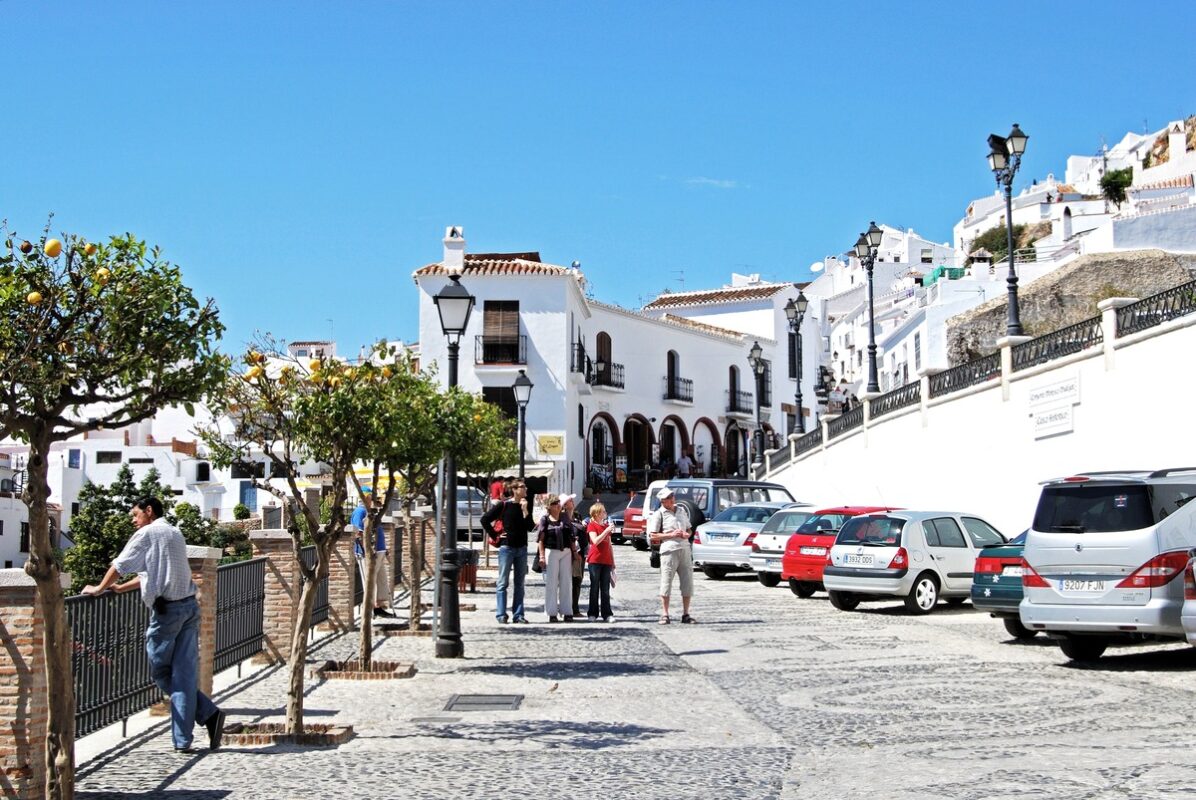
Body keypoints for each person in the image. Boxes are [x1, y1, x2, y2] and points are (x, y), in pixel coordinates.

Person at [82, 496, 226, 753]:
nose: (133, 521)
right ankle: (187, 736)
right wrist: (121, 589)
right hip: (189, 607)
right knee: (183, 674)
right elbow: (154, 573)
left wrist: (99, 588)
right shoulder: (174, 533)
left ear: (149, 511)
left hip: (167, 612)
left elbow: (119, 565)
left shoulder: (148, 533)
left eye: (135, 515)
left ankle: (207, 712)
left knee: (162, 673)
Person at [481, 479, 535, 623]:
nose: (526, 489)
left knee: (520, 583)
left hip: (522, 548)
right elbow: (485, 519)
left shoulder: (525, 505)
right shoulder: (504, 505)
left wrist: (525, 511)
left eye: (525, 486)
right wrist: (495, 535)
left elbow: (530, 527)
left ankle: (518, 615)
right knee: (503, 582)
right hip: (507, 547)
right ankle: (501, 614)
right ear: (515, 490)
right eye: (523, 487)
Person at [646, 487, 695, 624]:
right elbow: (653, 535)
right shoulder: (659, 514)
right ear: (663, 501)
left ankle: (686, 614)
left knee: (687, 583)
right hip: (669, 550)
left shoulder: (681, 510)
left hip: (685, 549)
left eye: (672, 496)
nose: (672, 498)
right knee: (666, 582)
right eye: (669, 497)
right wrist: (671, 535)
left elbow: (689, 529)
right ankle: (665, 614)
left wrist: (687, 534)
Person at [536, 494, 580, 622]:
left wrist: (574, 552)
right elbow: (541, 539)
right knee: (551, 583)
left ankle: (567, 612)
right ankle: (552, 613)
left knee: (566, 582)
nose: (558, 505)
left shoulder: (565, 517)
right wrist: (542, 556)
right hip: (551, 551)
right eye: (555, 503)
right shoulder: (545, 519)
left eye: (558, 503)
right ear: (549, 506)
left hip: (566, 551)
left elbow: (571, 535)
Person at [352, 488, 391, 618]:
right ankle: (369, 610)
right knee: (369, 581)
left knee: (380, 580)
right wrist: (368, 551)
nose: (373, 500)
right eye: (371, 497)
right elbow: (358, 533)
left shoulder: (369, 511)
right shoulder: (360, 511)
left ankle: (378, 607)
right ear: (366, 497)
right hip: (367, 553)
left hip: (378, 550)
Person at [586, 502, 616, 622]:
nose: (605, 513)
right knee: (594, 587)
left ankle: (607, 613)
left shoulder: (605, 526)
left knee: (605, 588)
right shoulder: (592, 525)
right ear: (597, 513)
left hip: (606, 560)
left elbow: (609, 545)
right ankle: (592, 613)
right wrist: (607, 530)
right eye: (603, 511)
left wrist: (613, 561)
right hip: (595, 560)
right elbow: (595, 541)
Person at [563, 495, 588, 617]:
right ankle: (565, 608)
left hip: (579, 554)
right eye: (569, 500)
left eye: (572, 500)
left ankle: (575, 608)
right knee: (566, 581)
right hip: (566, 553)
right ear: (564, 505)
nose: (572, 501)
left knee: (577, 580)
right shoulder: (562, 518)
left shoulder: (577, 516)